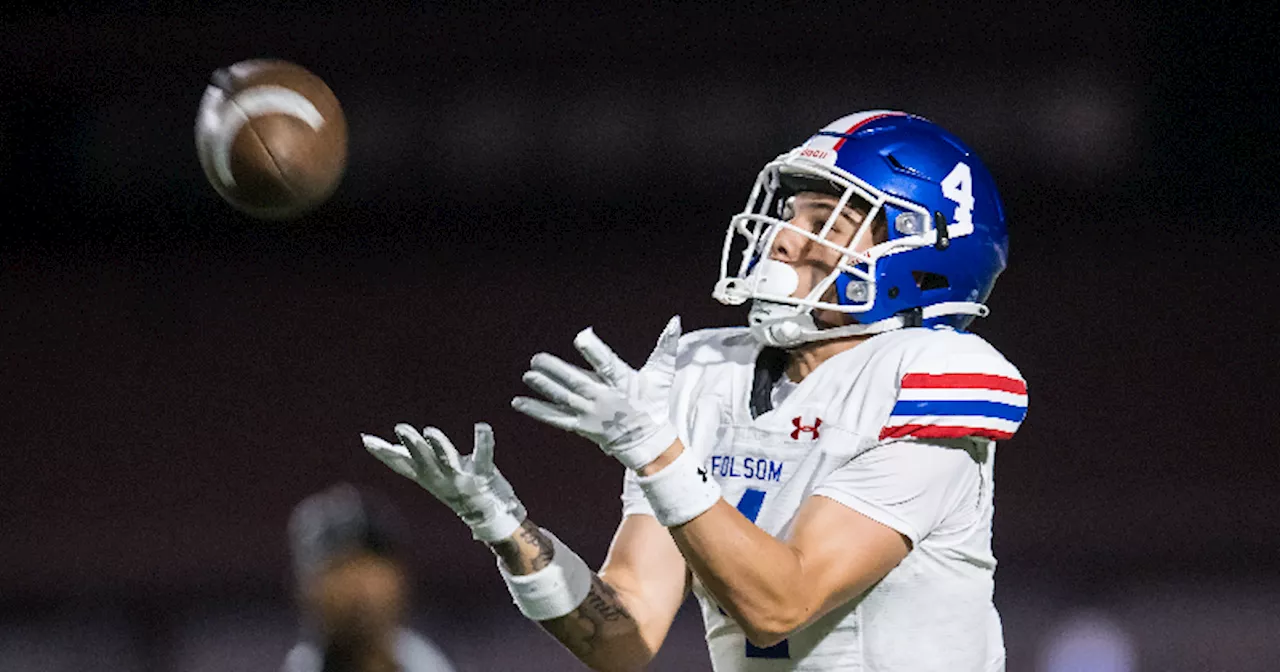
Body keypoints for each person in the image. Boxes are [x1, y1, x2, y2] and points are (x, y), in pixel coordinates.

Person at [362, 110, 1028, 671]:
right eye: (792, 212)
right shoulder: (709, 374)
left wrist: (655, 452)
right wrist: (505, 527)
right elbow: (624, 634)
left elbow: (780, 605)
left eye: (826, 218)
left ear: (921, 255)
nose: (787, 238)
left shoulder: (932, 378)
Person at [283, 483, 457, 672]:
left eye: (368, 564)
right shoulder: (301, 665)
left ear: (399, 577)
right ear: (306, 589)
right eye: (338, 568)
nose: (356, 586)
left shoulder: (431, 662)